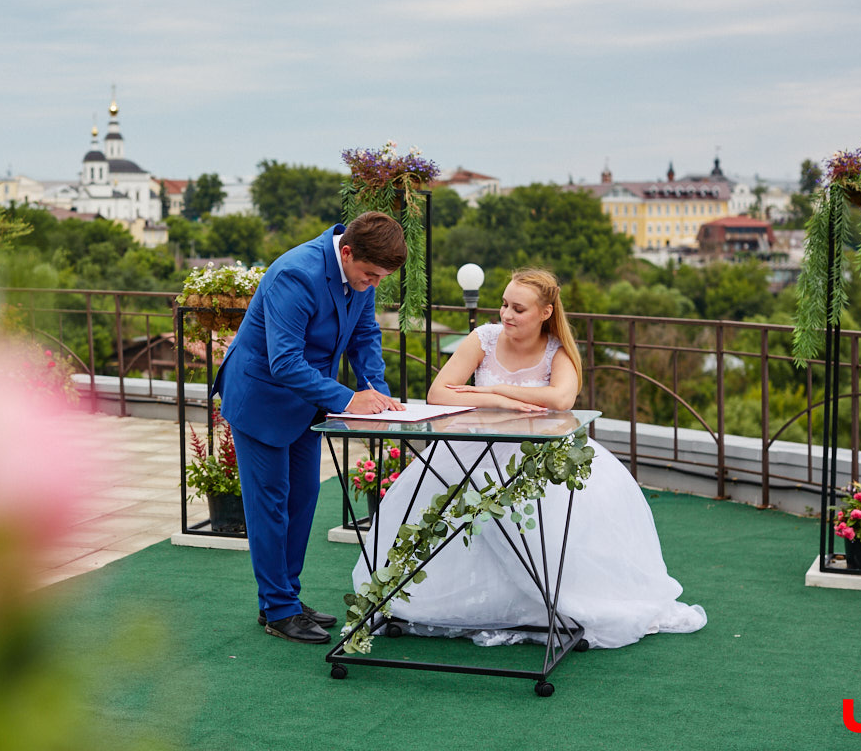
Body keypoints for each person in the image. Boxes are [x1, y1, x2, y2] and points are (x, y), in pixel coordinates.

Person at [351, 268, 707, 649]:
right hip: (475, 448)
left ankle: (542, 602)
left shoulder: (557, 352)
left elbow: (561, 400)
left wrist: (491, 388)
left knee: (546, 519)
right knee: (440, 506)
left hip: (538, 456)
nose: (506, 314)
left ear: (545, 313)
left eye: (518, 309)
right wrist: (496, 399)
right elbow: (440, 392)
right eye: (504, 304)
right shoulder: (482, 339)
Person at [214, 211, 408, 644]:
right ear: (347, 251)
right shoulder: (295, 275)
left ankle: (287, 598)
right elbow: (283, 361)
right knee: (270, 504)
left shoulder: (362, 275)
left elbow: (364, 335)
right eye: (370, 274)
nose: (374, 283)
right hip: (261, 397)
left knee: (304, 497)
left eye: (382, 278)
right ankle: (278, 610)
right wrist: (348, 399)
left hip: (307, 400)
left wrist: (376, 391)